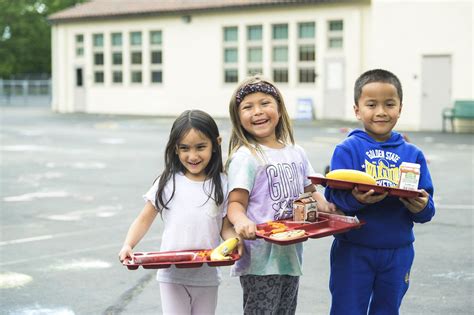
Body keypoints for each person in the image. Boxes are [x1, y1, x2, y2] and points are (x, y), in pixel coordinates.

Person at [325, 69, 435, 315]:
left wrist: (422, 206)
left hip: (399, 250)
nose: (381, 112)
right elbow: (334, 198)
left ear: (400, 108)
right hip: (354, 248)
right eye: (371, 104)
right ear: (357, 109)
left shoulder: (413, 153)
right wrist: (355, 199)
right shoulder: (347, 149)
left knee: (388, 310)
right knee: (347, 309)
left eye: (389, 104)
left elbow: (427, 206)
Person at [225, 75, 337, 314]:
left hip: (290, 256)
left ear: (279, 108)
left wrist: (330, 208)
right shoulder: (246, 157)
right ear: (238, 116)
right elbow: (234, 203)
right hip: (259, 260)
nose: (257, 111)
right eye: (248, 106)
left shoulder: (297, 152)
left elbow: (311, 191)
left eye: (265, 103)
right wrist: (242, 221)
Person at [118, 109, 241, 315]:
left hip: (207, 276)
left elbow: (225, 227)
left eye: (201, 147)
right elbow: (143, 219)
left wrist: (236, 242)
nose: (192, 156)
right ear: (175, 149)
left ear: (216, 144)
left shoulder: (223, 183)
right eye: (184, 148)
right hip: (171, 275)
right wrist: (128, 245)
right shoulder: (167, 183)